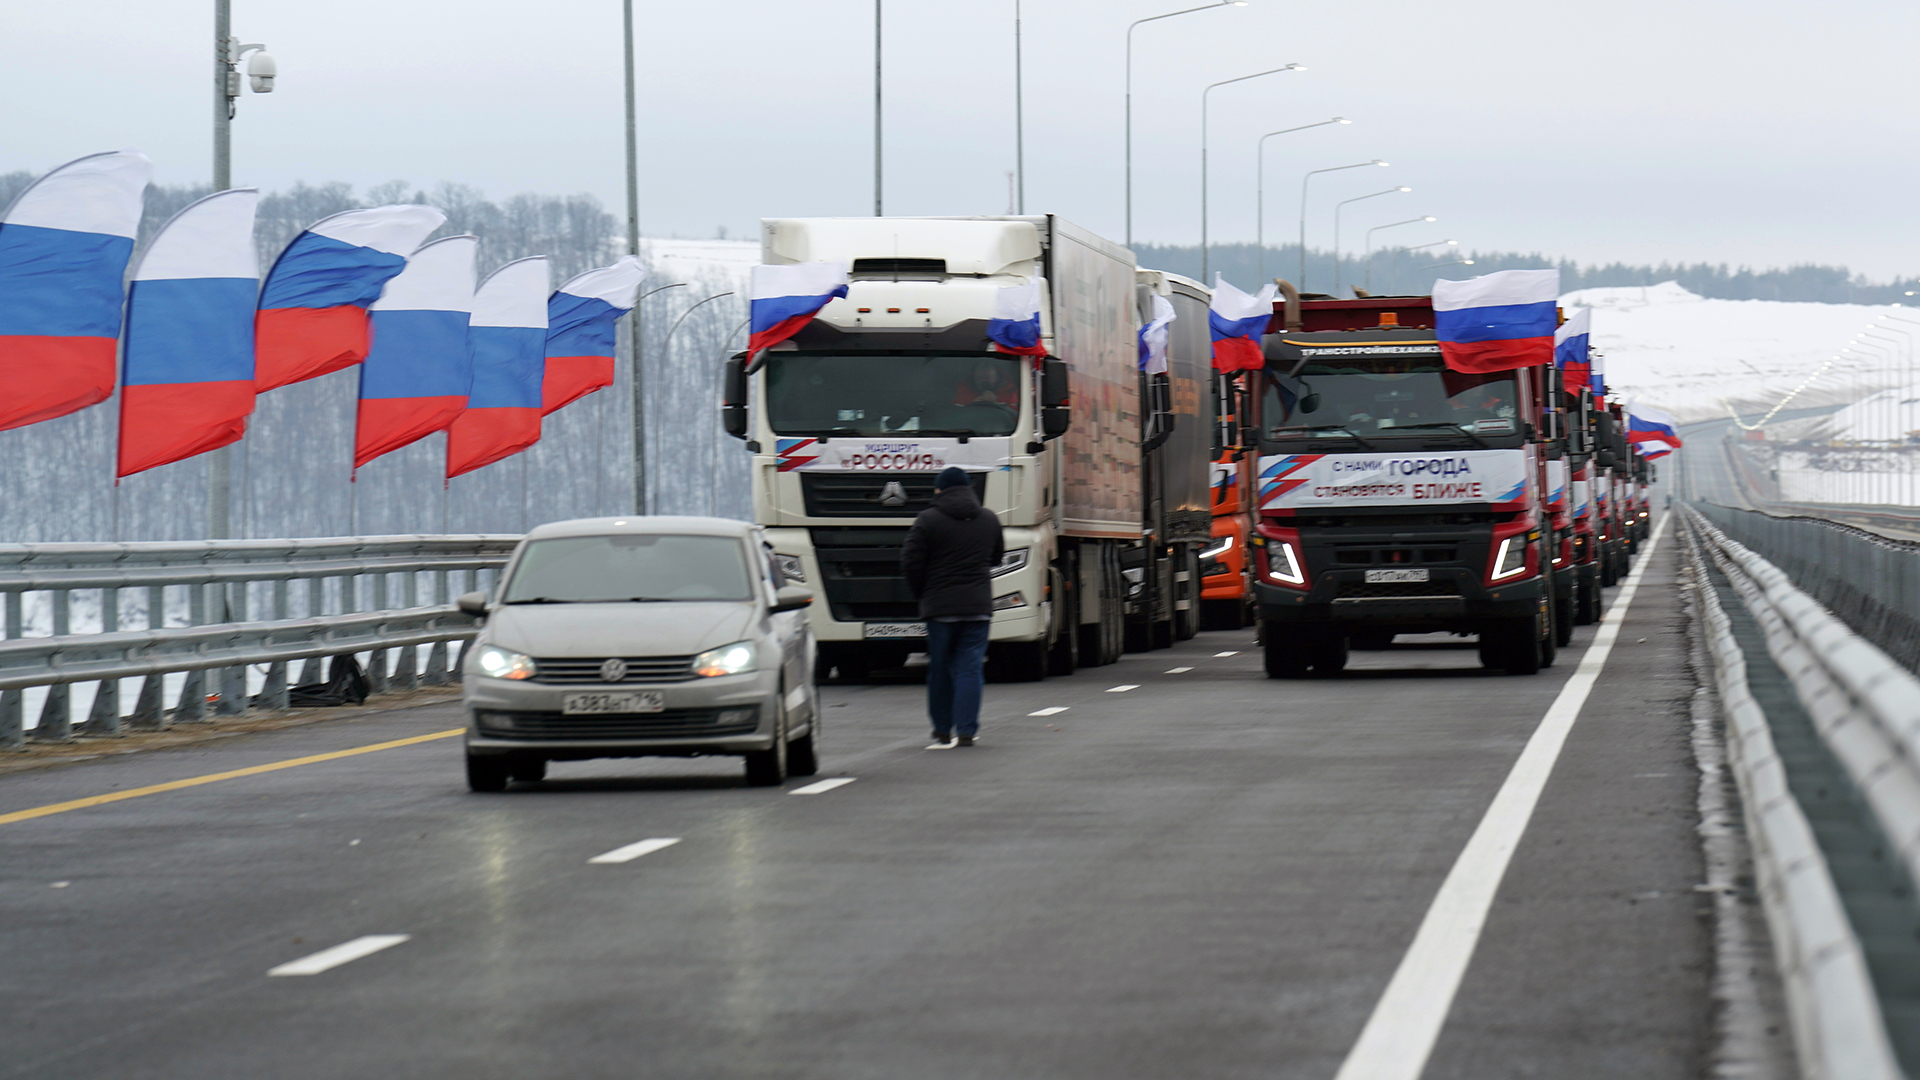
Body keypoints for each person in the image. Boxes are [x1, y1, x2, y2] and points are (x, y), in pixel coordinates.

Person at [901, 466, 1003, 746]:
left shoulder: (928, 520)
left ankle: (943, 728)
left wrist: (922, 592)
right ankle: (967, 730)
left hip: (940, 607)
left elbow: (911, 561)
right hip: (978, 607)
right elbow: (996, 557)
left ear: (939, 490)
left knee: (940, 668)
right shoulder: (989, 519)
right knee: (970, 668)